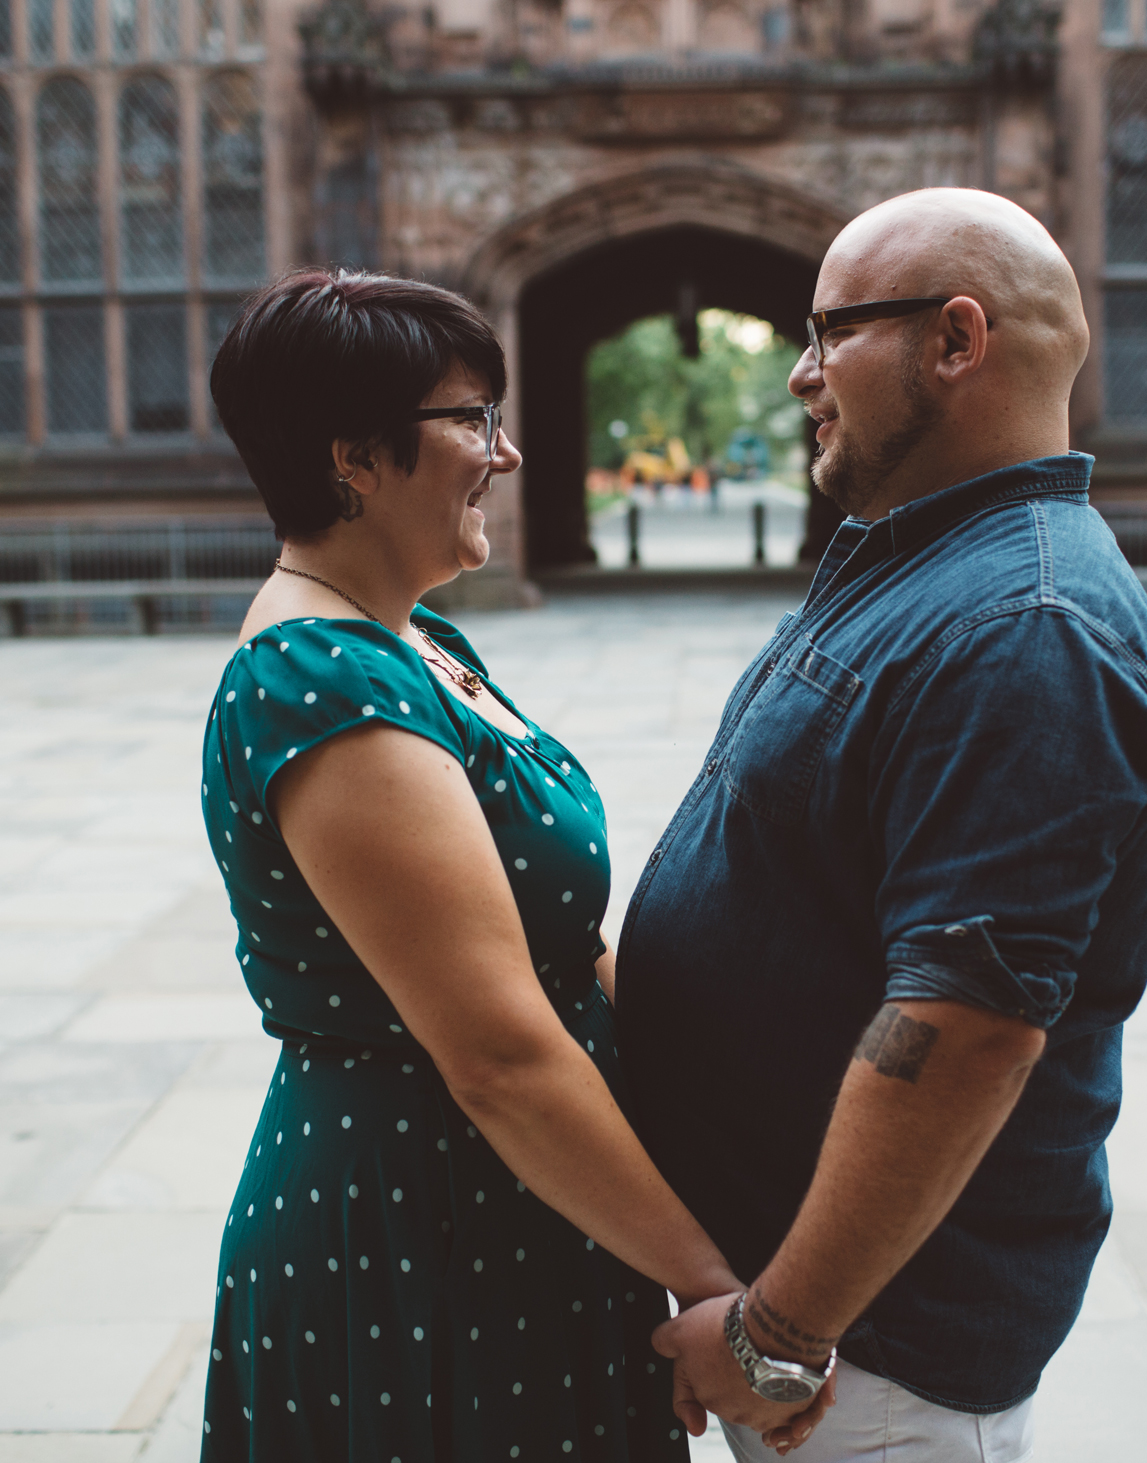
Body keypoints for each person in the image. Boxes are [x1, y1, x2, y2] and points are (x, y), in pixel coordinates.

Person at [194, 269, 830, 1461]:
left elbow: (554, 943)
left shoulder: (417, 639)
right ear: (356, 457)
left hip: (533, 1203)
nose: (510, 451)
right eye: (473, 419)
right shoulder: (324, 683)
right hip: (421, 1219)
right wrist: (720, 1296)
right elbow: (494, 1048)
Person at [620, 188, 1147, 1460]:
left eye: (830, 333)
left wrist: (780, 1330)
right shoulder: (931, 558)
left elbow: (967, 1030)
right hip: (829, 1334)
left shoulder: (1028, 626)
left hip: (872, 1365)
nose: (799, 376)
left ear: (955, 340)